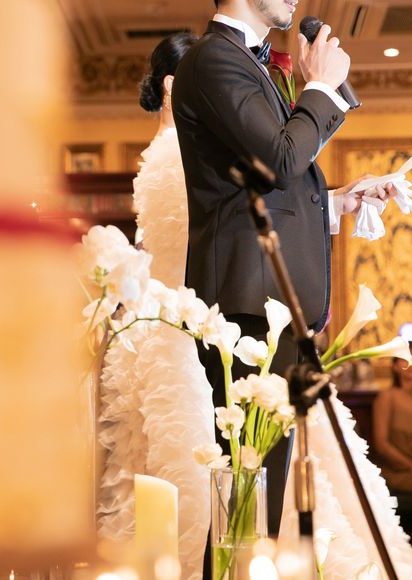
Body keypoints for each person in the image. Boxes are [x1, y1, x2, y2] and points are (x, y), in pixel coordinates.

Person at [171, 0, 397, 537]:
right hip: (246, 310)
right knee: (247, 503)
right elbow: (281, 159)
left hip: (266, 305)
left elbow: (265, 187)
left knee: (260, 502)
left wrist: (335, 203)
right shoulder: (213, 58)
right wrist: (319, 86)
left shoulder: (246, 61)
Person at [97, 33, 215, 580]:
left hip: (157, 309)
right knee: (180, 448)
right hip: (178, 310)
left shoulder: (160, 150)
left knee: (150, 455)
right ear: (174, 86)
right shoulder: (181, 152)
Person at [373, 345, 412, 493]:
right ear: (394, 366)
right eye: (405, 359)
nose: (410, 363)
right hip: (400, 472)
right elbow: (382, 444)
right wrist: (409, 465)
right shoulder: (387, 397)